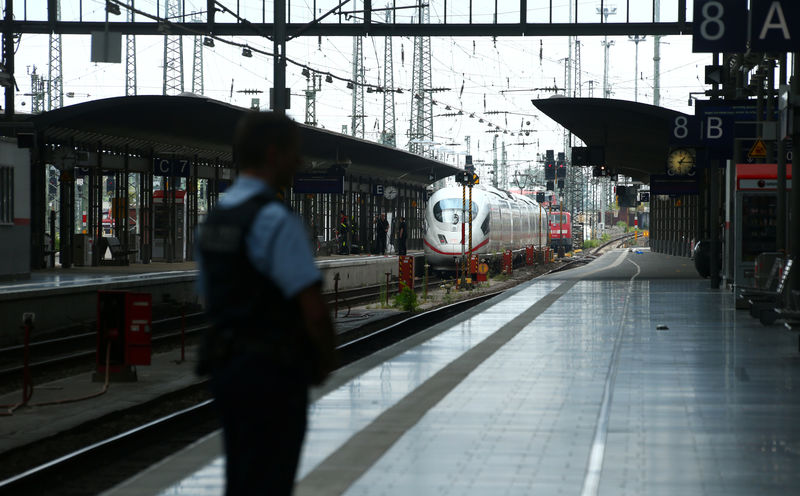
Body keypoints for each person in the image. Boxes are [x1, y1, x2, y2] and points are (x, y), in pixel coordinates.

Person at [196, 112, 336, 495]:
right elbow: (311, 305)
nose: (300, 163)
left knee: (241, 476)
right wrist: (324, 360)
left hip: (226, 369)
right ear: (274, 154)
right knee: (271, 479)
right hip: (273, 372)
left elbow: (209, 296)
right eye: (295, 153)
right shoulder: (275, 220)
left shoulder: (214, 222)